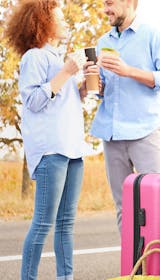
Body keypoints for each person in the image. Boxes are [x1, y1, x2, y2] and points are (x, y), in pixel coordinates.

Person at [4, 0, 92, 279]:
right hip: (51, 150)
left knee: (66, 224)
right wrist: (67, 72)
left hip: (73, 150)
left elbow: (60, 101)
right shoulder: (34, 57)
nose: (64, 22)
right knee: (43, 223)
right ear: (43, 23)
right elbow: (33, 101)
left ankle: (65, 277)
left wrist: (82, 89)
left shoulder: (56, 58)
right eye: (59, 18)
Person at [89, 0, 160, 232]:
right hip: (111, 134)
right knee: (124, 207)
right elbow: (104, 92)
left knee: (159, 203)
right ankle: (131, 266)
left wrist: (128, 71)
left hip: (145, 131)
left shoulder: (153, 35)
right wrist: (96, 85)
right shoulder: (103, 42)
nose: (106, 10)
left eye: (110, 4)